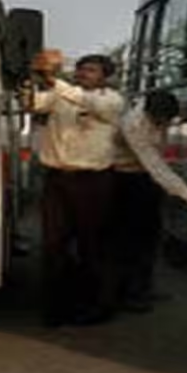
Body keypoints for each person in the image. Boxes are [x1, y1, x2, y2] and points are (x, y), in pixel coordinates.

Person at [27, 51, 125, 326]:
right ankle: (57, 307)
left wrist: (52, 79)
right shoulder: (60, 95)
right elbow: (32, 105)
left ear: (106, 77)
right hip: (57, 179)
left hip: (94, 181)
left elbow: (85, 101)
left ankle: (97, 306)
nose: (83, 74)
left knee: (92, 244)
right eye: (81, 69)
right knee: (53, 244)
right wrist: (30, 81)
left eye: (91, 70)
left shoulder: (112, 101)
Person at [111, 90, 187, 312]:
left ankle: (143, 287)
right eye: (159, 121)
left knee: (151, 236)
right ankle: (128, 294)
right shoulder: (133, 124)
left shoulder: (164, 115)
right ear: (149, 113)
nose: (163, 126)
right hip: (125, 180)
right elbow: (155, 166)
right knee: (130, 239)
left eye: (166, 121)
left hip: (146, 179)